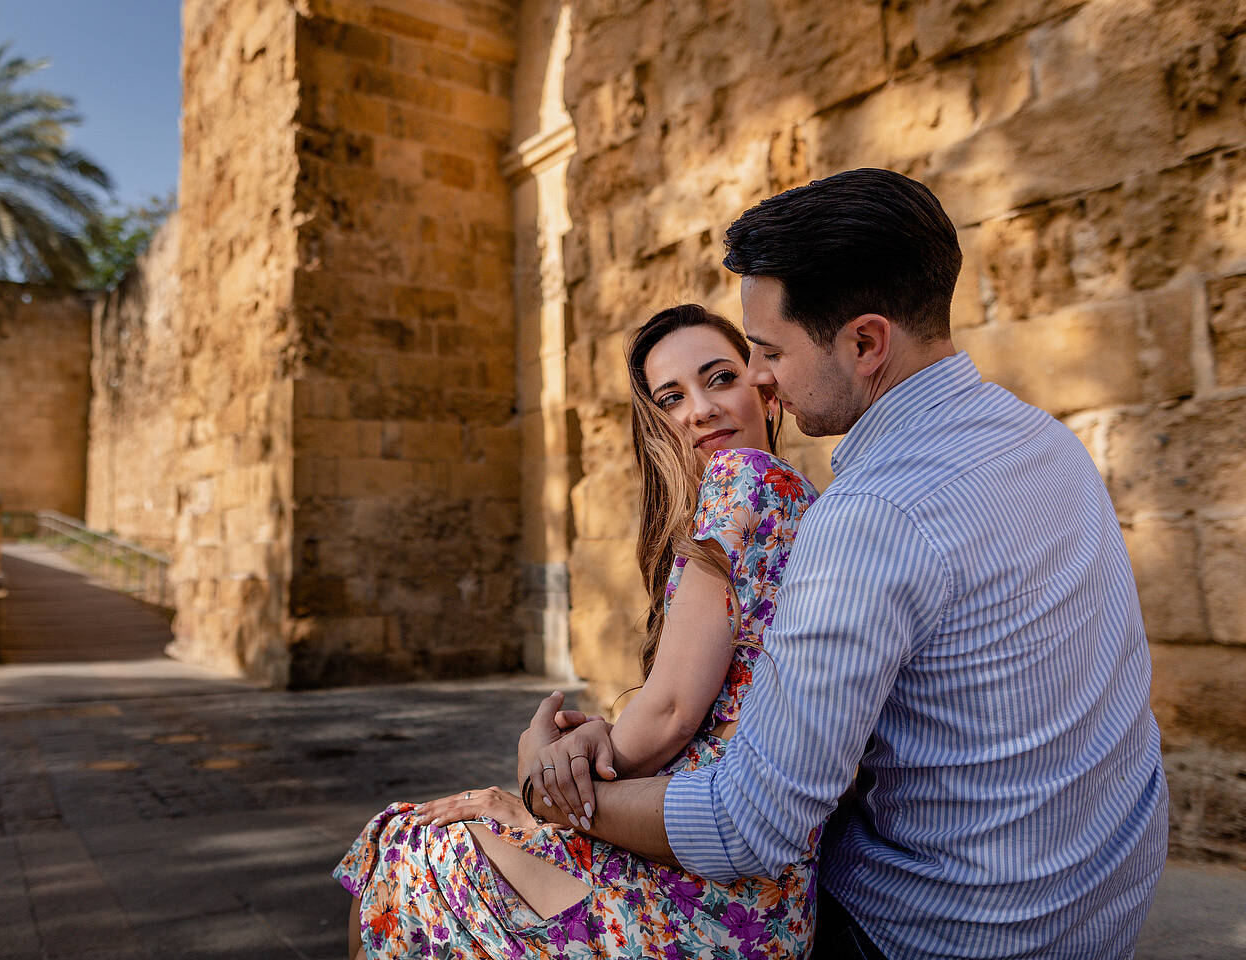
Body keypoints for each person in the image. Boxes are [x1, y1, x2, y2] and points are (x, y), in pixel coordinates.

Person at [516, 168, 1169, 959]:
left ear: (865, 342)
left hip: (949, 932)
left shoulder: (867, 519)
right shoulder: (1045, 442)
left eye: (767, 353)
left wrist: (544, 790)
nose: (758, 379)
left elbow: (745, 826)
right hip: (1099, 910)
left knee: (422, 869)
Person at [333, 304, 823, 959]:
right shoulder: (805, 501)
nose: (700, 410)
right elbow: (708, 705)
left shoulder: (743, 481)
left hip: (709, 897)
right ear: (654, 424)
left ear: (764, 389)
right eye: (672, 398)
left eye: (720, 379)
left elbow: (674, 712)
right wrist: (593, 742)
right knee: (435, 845)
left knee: (411, 845)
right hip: (761, 894)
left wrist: (548, 777)